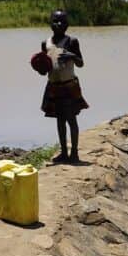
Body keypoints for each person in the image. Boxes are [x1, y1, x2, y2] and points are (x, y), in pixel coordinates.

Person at [39, 10, 88, 162]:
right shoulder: (45, 43)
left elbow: (81, 63)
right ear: (50, 23)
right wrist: (40, 67)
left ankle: (74, 153)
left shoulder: (71, 42)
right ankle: (64, 153)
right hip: (54, 85)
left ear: (67, 25)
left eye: (62, 21)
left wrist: (72, 55)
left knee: (71, 119)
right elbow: (45, 68)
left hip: (69, 85)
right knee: (60, 120)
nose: (58, 24)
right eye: (55, 21)